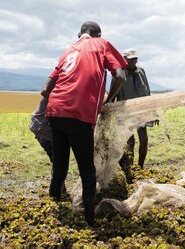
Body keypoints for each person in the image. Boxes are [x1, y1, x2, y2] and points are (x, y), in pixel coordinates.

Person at [43, 21, 127, 226]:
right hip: (79, 114)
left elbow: (46, 88)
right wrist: (107, 101)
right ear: (98, 34)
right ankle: (91, 222)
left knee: (60, 164)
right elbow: (120, 75)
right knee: (87, 170)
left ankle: (53, 213)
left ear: (79, 34)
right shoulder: (101, 44)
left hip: (55, 111)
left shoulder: (68, 50)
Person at [116, 48, 151, 169]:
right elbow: (114, 92)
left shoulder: (141, 72)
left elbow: (147, 91)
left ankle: (140, 167)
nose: (133, 61)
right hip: (126, 112)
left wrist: (152, 112)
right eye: (130, 59)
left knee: (144, 139)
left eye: (135, 59)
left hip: (141, 111)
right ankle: (129, 167)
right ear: (124, 59)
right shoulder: (120, 72)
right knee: (130, 142)